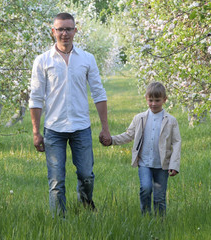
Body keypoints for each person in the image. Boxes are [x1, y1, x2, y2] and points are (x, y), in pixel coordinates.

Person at [29, 12, 110, 216]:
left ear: (75, 30)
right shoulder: (42, 61)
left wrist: (105, 128)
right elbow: (36, 98)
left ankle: (85, 205)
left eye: (68, 29)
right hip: (54, 129)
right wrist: (36, 132)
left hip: (81, 127)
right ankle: (60, 222)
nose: (64, 33)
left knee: (87, 176)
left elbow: (98, 93)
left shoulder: (87, 59)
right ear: (53, 32)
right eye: (60, 29)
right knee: (56, 180)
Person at [104, 82, 181, 216]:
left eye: (157, 100)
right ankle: (146, 217)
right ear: (146, 98)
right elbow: (129, 135)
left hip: (162, 165)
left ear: (164, 100)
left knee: (159, 196)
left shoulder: (171, 121)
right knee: (145, 188)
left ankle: (160, 222)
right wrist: (112, 140)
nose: (153, 104)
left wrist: (174, 164)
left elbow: (176, 143)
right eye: (150, 100)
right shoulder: (139, 118)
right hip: (144, 163)